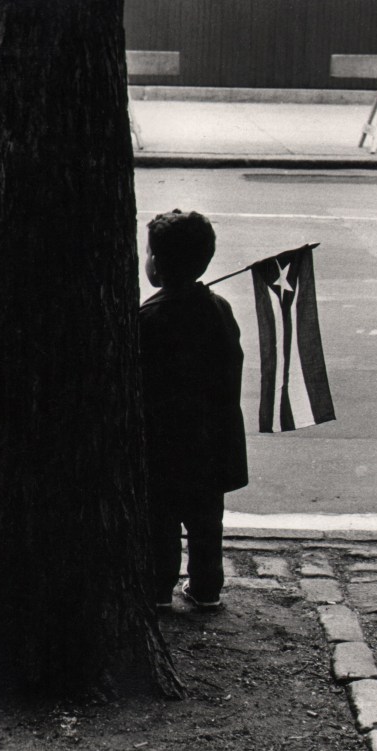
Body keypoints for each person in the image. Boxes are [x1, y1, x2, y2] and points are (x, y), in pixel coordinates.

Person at [139, 210, 248, 611]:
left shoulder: (148, 318)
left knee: (160, 522)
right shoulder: (218, 307)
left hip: (166, 445)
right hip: (212, 441)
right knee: (206, 523)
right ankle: (206, 589)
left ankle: (156, 589)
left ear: (158, 263)